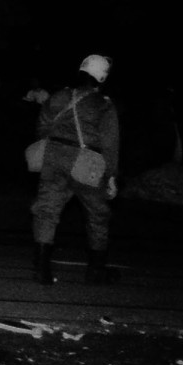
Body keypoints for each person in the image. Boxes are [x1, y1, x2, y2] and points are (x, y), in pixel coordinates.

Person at [30, 54, 120, 284]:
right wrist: (110, 176)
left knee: (46, 211)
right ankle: (96, 269)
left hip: (55, 156)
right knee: (98, 215)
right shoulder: (104, 105)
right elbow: (110, 144)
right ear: (102, 78)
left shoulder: (60, 96)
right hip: (87, 161)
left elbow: (42, 126)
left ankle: (41, 269)